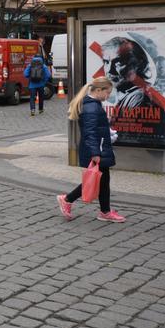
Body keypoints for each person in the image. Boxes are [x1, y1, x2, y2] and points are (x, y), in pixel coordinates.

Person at [57, 77, 126, 223]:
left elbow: (96, 129)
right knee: (97, 180)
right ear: (99, 90)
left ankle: (104, 211)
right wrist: (95, 153)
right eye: (107, 93)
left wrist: (109, 132)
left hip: (98, 148)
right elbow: (90, 132)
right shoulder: (92, 107)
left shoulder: (93, 105)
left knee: (101, 180)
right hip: (97, 150)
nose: (108, 96)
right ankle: (69, 199)